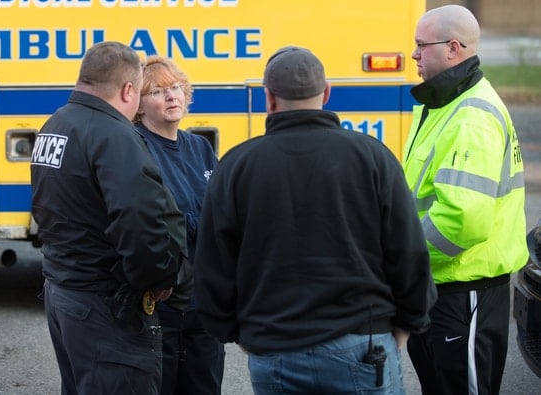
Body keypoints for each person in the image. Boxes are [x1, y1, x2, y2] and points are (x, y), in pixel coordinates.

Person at [194, 45, 437, 394]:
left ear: (268, 98)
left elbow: (213, 263)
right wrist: (408, 322)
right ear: (326, 93)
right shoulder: (372, 157)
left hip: (274, 348)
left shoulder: (236, 165)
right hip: (363, 345)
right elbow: (409, 251)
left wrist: (235, 331)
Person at [30, 41, 187, 394]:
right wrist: (159, 277)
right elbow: (139, 222)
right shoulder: (113, 134)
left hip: (65, 291)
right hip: (104, 303)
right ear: (129, 89)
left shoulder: (56, 124)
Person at [403, 4, 529, 395]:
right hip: (444, 290)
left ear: (453, 48)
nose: (414, 55)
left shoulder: (470, 117)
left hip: (463, 292)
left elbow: (462, 221)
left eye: (422, 46)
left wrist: (401, 257)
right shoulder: (443, 103)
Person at [133, 55, 224, 395]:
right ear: (139, 106)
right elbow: (150, 224)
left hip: (205, 302)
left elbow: (220, 213)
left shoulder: (199, 147)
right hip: (163, 302)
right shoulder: (136, 147)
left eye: (176, 88)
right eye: (157, 91)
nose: (171, 96)